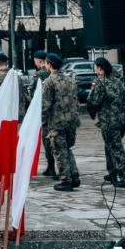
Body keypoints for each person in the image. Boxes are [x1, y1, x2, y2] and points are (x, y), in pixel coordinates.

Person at [85, 58, 125, 189]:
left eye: (96, 67)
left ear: (100, 68)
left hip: (108, 121)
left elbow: (94, 101)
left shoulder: (100, 82)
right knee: (110, 147)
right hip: (121, 120)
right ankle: (112, 172)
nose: (95, 70)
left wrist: (91, 110)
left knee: (116, 148)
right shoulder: (118, 82)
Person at [42, 53, 81, 191]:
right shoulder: (70, 80)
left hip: (57, 121)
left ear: (49, 64)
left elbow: (45, 105)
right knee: (67, 149)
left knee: (59, 150)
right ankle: (74, 175)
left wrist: (41, 121)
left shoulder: (49, 82)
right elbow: (76, 101)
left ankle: (66, 179)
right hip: (71, 121)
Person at [30, 49, 56, 176]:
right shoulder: (54, 73)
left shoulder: (39, 75)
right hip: (56, 112)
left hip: (44, 112)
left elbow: (34, 94)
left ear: (38, 61)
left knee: (47, 140)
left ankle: (51, 167)